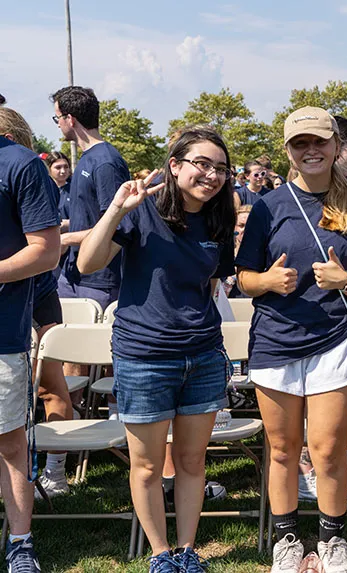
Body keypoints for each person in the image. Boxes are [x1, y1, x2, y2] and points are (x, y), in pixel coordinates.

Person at [77, 126, 236, 573]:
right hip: (144, 356)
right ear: (175, 165)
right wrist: (115, 209)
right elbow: (87, 262)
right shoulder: (140, 211)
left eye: (220, 168)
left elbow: (212, 283)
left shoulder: (220, 219)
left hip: (203, 355)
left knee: (191, 461)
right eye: (202, 164)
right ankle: (160, 553)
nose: (212, 175)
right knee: (147, 467)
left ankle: (187, 550)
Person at [236, 106, 347, 573]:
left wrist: (344, 280)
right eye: (301, 144)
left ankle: (333, 540)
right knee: (281, 449)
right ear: (289, 152)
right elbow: (243, 278)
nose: (311, 150)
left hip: (333, 340)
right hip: (275, 342)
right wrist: (266, 283)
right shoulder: (267, 206)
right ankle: (287, 540)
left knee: (327, 449)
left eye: (320, 141)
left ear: (337, 146)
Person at [0, 106, 61, 573]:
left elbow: (45, 250)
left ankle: (20, 544)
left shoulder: (21, 163)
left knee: (8, 443)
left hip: (3, 334)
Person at [50, 86, 129, 312]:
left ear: (70, 119)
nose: (57, 124)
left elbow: (116, 225)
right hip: (72, 274)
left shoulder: (106, 162)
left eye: (57, 117)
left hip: (99, 281)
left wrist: (65, 239)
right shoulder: (88, 158)